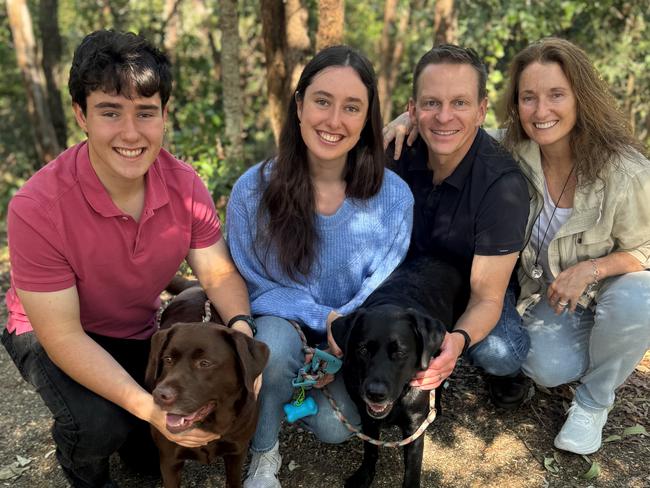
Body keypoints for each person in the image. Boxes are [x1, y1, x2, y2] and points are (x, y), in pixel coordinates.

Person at [2, 30, 256, 488]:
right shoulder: (37, 207)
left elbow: (217, 272)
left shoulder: (185, 186)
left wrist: (241, 331)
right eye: (110, 112)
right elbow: (62, 336)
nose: (131, 133)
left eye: (145, 113)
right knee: (104, 426)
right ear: (81, 114)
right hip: (52, 332)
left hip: (135, 327)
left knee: (146, 453)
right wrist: (146, 407)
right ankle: (82, 466)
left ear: (163, 115)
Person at [226, 45, 413, 488]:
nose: (334, 120)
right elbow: (253, 282)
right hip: (281, 324)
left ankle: (294, 393)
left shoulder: (395, 197)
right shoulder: (252, 191)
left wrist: (343, 340)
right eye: (322, 101)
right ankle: (264, 450)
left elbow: (382, 284)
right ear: (299, 105)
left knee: (334, 431)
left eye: (352, 107)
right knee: (271, 348)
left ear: (368, 119)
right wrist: (321, 317)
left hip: (351, 340)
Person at [500, 37, 650, 455]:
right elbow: (458, 132)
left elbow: (648, 247)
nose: (540, 110)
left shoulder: (628, 173)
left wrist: (593, 268)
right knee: (542, 367)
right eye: (528, 97)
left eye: (555, 95)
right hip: (553, 303)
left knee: (643, 294)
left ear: (580, 98)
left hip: (611, 292)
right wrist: (407, 124)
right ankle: (612, 350)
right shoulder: (514, 152)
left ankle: (594, 401)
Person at [384, 45, 531, 409]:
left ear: (481, 110)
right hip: (411, 280)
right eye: (431, 103)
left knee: (501, 351)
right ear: (412, 109)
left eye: (460, 103)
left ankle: (505, 375)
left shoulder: (503, 185)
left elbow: (487, 297)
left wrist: (458, 341)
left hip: (473, 286)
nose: (444, 116)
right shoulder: (396, 152)